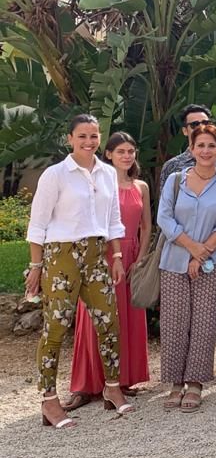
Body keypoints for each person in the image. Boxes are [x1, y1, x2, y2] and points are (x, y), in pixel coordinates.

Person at [25, 115, 135, 428]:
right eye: (82, 136)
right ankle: (49, 400)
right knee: (56, 327)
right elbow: (38, 224)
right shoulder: (55, 174)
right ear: (70, 139)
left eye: (94, 136)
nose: (89, 142)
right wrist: (36, 266)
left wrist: (116, 255)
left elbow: (113, 219)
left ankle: (112, 387)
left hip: (97, 254)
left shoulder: (107, 173)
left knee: (109, 322)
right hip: (61, 256)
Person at [65, 132, 152, 410]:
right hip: (100, 256)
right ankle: (86, 385)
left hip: (131, 256)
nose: (127, 156)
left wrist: (140, 258)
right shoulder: (98, 184)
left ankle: (121, 381)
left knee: (127, 317)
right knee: (93, 319)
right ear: (109, 155)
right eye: (121, 151)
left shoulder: (141, 186)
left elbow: (146, 226)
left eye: (131, 151)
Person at [157, 124, 216, 413]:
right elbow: (164, 218)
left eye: (211, 146)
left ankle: (195, 383)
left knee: (204, 321)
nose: (206, 151)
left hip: (211, 262)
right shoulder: (176, 180)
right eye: (200, 145)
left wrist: (201, 255)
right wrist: (192, 248)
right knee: (174, 321)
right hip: (174, 261)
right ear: (191, 149)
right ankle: (175, 382)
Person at [159, 104, 216, 190]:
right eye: (194, 124)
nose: (201, 127)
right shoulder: (172, 166)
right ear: (185, 131)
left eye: (206, 123)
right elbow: (166, 197)